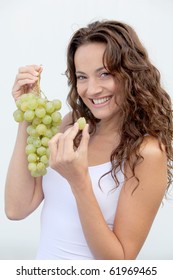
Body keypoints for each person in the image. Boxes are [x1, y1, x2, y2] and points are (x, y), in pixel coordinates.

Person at [5, 20, 173, 260]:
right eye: (82, 77)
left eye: (104, 74)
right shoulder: (71, 124)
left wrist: (79, 181)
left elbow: (119, 262)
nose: (92, 90)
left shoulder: (147, 152)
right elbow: (16, 208)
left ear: (132, 75)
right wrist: (26, 114)